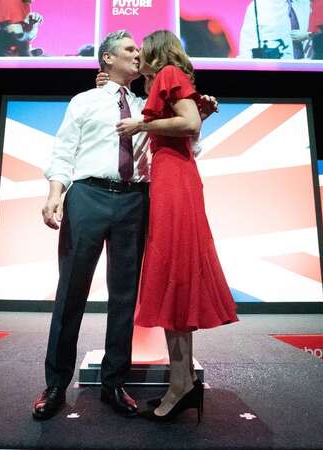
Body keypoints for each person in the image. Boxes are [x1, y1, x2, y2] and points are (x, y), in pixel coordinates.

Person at [117, 29, 238, 422]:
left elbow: (189, 125)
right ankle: (181, 380)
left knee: (173, 267)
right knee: (175, 274)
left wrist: (142, 126)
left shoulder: (168, 72)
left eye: (141, 50)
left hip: (174, 180)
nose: (138, 56)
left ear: (155, 51)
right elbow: (186, 121)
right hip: (171, 177)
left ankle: (181, 382)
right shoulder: (169, 78)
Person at [33, 30, 148, 421]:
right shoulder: (84, 101)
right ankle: (55, 384)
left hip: (135, 199)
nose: (138, 54)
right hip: (87, 196)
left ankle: (115, 382)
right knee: (72, 291)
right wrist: (54, 194)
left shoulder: (148, 106)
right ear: (107, 59)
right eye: (131, 49)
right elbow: (64, 150)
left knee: (124, 295)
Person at [238, 0, 311, 59]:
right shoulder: (258, 6)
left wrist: (309, 35)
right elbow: (247, 46)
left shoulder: (307, 4)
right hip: (274, 65)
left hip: (308, 65)